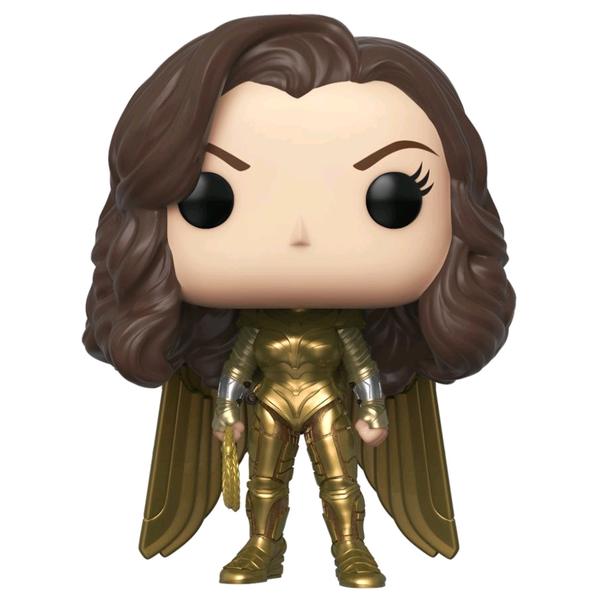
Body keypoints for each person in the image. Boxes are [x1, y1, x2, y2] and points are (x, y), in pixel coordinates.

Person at [83, 14, 515, 588]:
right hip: (269, 401)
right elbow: (237, 366)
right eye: (209, 198)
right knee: (264, 483)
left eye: (393, 198)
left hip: (325, 399)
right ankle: (262, 547)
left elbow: (361, 363)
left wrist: (373, 409)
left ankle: (351, 549)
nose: (301, 233)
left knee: (340, 480)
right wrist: (226, 409)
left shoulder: (343, 322)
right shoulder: (251, 325)